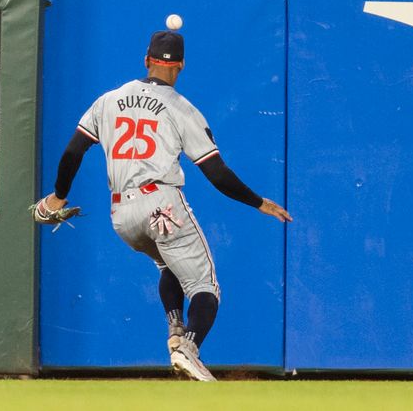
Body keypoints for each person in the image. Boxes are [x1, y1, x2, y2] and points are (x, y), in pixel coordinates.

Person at [37, 29, 292, 381]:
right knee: (206, 286)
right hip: (160, 204)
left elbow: (72, 152)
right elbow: (216, 173)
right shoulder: (182, 109)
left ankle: (175, 327)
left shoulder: (108, 100)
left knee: (167, 264)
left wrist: (58, 197)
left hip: (122, 214)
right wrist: (258, 202)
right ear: (181, 66)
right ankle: (188, 348)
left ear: (147, 60)